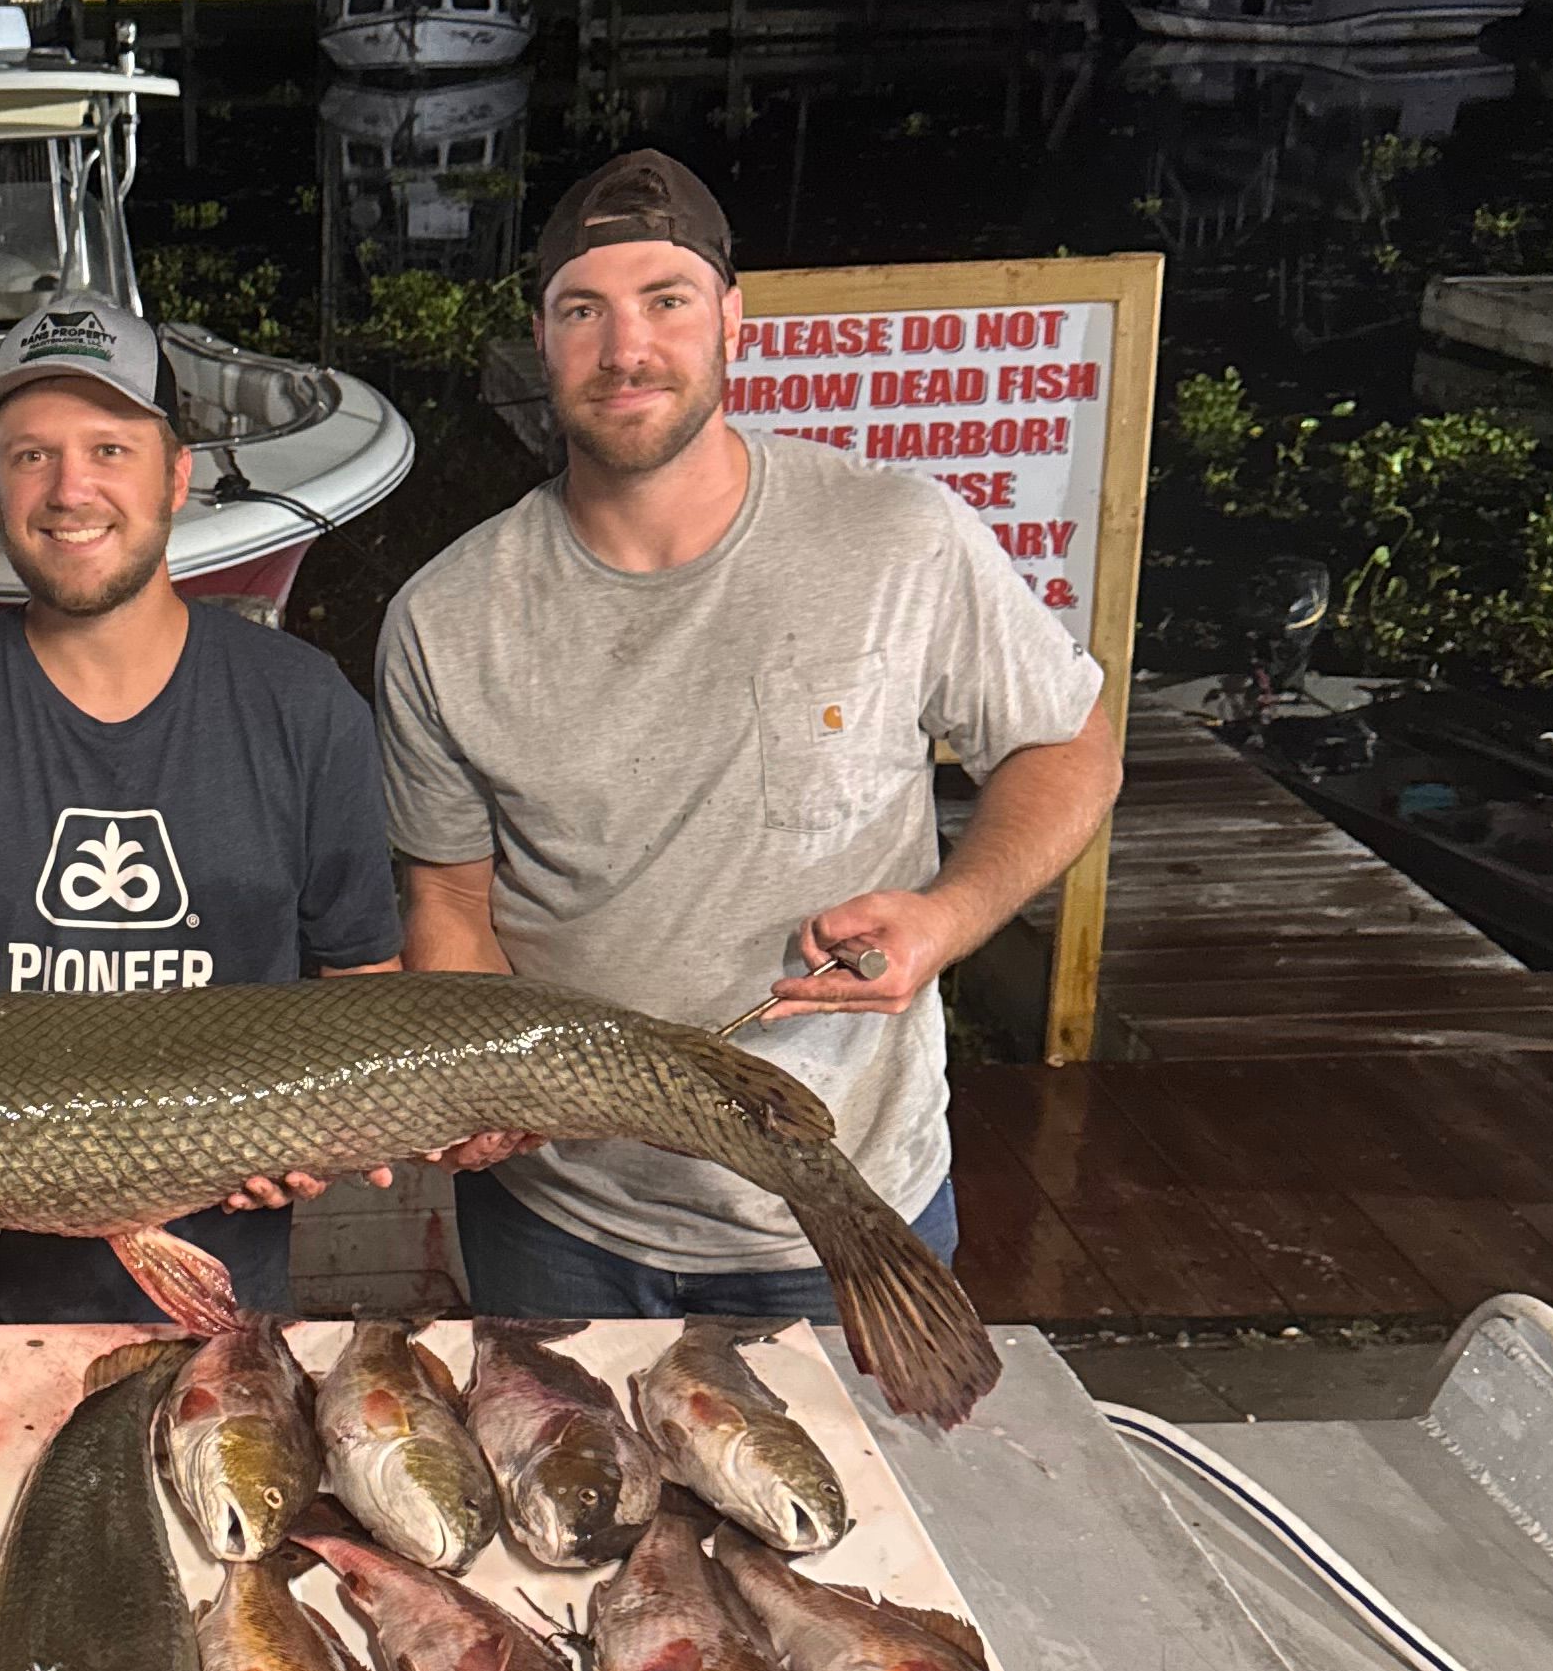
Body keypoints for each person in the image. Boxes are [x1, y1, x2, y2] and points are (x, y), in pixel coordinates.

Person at [377, 146, 1120, 1327]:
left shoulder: (898, 534)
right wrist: (479, 1081)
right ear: (543, 338)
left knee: (855, 1503)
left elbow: (1068, 743)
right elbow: (451, 908)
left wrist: (947, 916)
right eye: (585, 312)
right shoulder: (443, 616)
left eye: (665, 302)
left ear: (731, 316)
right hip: (559, 1213)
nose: (627, 349)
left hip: (842, 1199)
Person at [0, 291, 404, 1324]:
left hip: (219, 1301)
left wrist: (316, 1143)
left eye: (109, 449)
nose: (68, 490)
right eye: (29, 456)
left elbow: (366, 993)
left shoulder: (304, 705)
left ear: (177, 477)